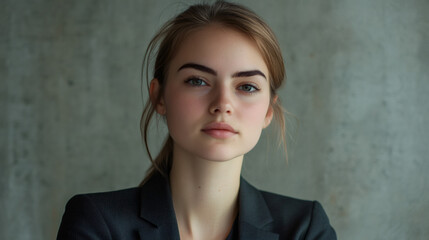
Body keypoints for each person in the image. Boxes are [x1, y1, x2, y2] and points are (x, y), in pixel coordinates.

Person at [57, 1, 337, 239]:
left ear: (268, 111)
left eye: (247, 86)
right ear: (159, 97)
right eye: (197, 80)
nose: (222, 104)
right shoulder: (97, 223)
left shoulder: (305, 229)